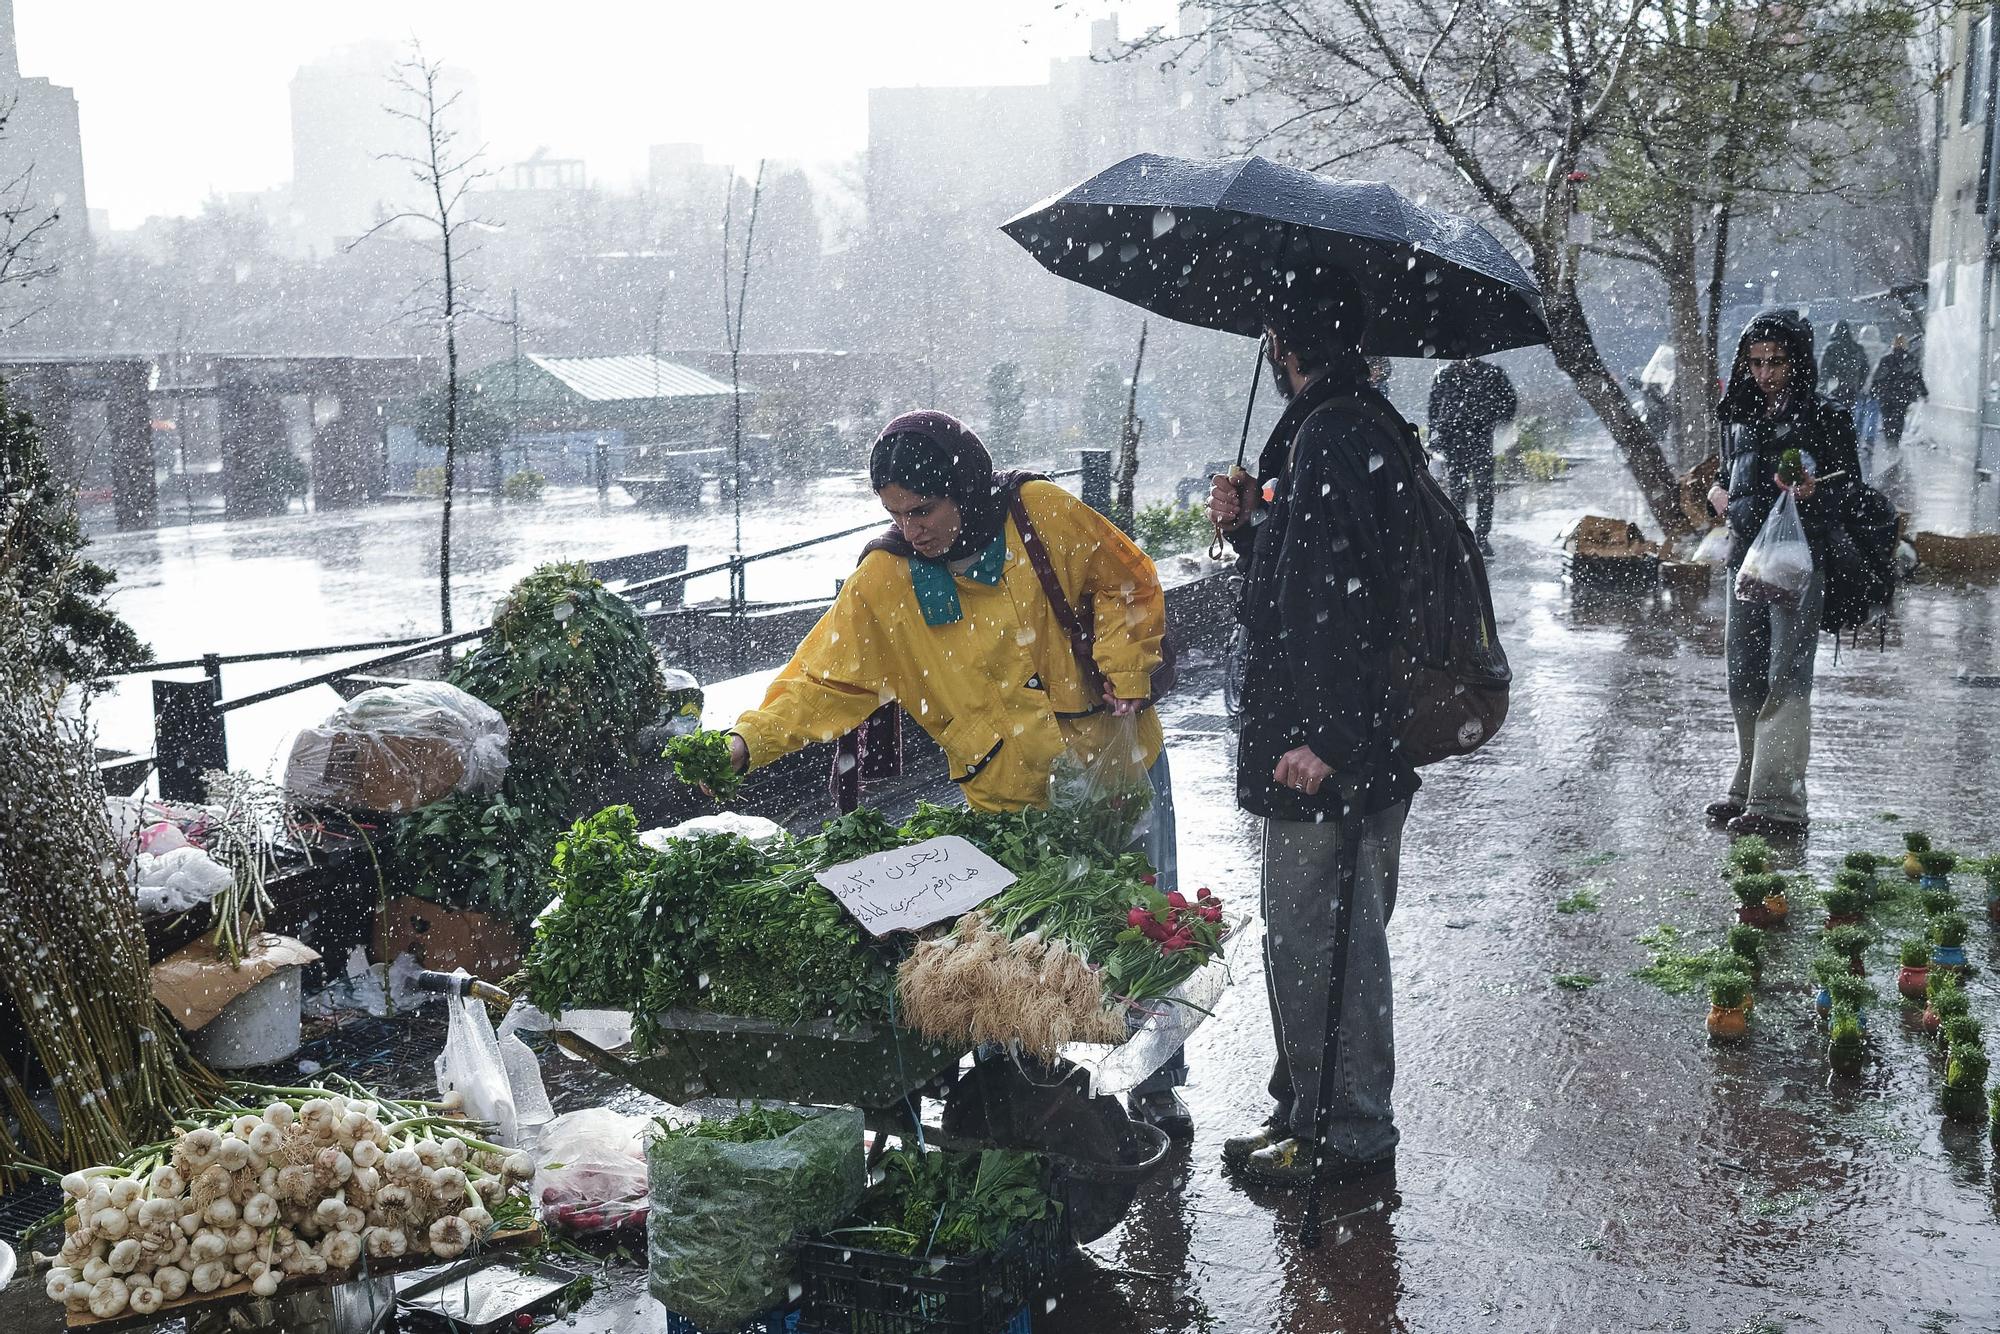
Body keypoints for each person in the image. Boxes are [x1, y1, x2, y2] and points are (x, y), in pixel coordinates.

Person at [722, 410, 1196, 1136]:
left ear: (966, 491)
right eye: (896, 514)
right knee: (1024, 947)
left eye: (924, 510)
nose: (912, 528)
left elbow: (1125, 580)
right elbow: (822, 682)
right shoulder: (887, 579)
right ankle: (1023, 1093)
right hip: (1004, 792)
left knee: (1142, 929)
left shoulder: (1038, 514)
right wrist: (744, 745)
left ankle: (1156, 1084)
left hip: (1109, 766)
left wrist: (1126, 667)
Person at [1206, 274, 1420, 1187]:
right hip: (1357, 739)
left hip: (1327, 750)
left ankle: (1347, 1133)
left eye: (1268, 331)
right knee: (1334, 935)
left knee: (1319, 941)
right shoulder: (1358, 425)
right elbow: (1312, 575)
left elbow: (1336, 607)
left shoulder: (1333, 435)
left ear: (1283, 342)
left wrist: (1328, 740)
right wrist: (1255, 525)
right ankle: (1308, 1110)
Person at [1703, 310, 1862, 838]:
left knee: (1787, 677)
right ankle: (1749, 786)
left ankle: (1781, 803)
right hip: (1743, 559)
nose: (1765, 373)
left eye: (1776, 362)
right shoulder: (1737, 412)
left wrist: (1819, 492)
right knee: (1742, 676)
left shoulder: (1825, 416)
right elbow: (1727, 478)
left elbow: (1852, 493)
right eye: (1756, 363)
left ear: (1797, 362)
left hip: (1799, 561)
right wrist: (1716, 495)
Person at [1425, 355, 1517, 555]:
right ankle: (1461, 536)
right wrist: (1437, 435)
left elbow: (1509, 402)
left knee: (1483, 489)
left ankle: (1481, 537)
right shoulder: (1445, 375)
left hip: (1480, 438)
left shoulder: (1491, 374)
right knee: (1458, 491)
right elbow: (1433, 410)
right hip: (1454, 441)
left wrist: (1491, 416)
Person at [1870, 333, 1928, 452]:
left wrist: (1873, 390)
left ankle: (1889, 440)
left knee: (1887, 418)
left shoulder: (1885, 359)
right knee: (1899, 418)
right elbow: (1917, 378)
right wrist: (1924, 392)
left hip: (1885, 395)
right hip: (1902, 395)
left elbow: (1877, 377)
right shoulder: (1911, 360)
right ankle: (1895, 440)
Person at [1818, 320, 1870, 429]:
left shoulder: (1830, 348)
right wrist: (1859, 384)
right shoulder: (1857, 348)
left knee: (1833, 413)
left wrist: (1823, 387)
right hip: (1851, 388)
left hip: (1833, 388)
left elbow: (1823, 369)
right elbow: (1865, 369)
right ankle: (1846, 435)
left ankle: (1836, 436)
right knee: (1848, 412)